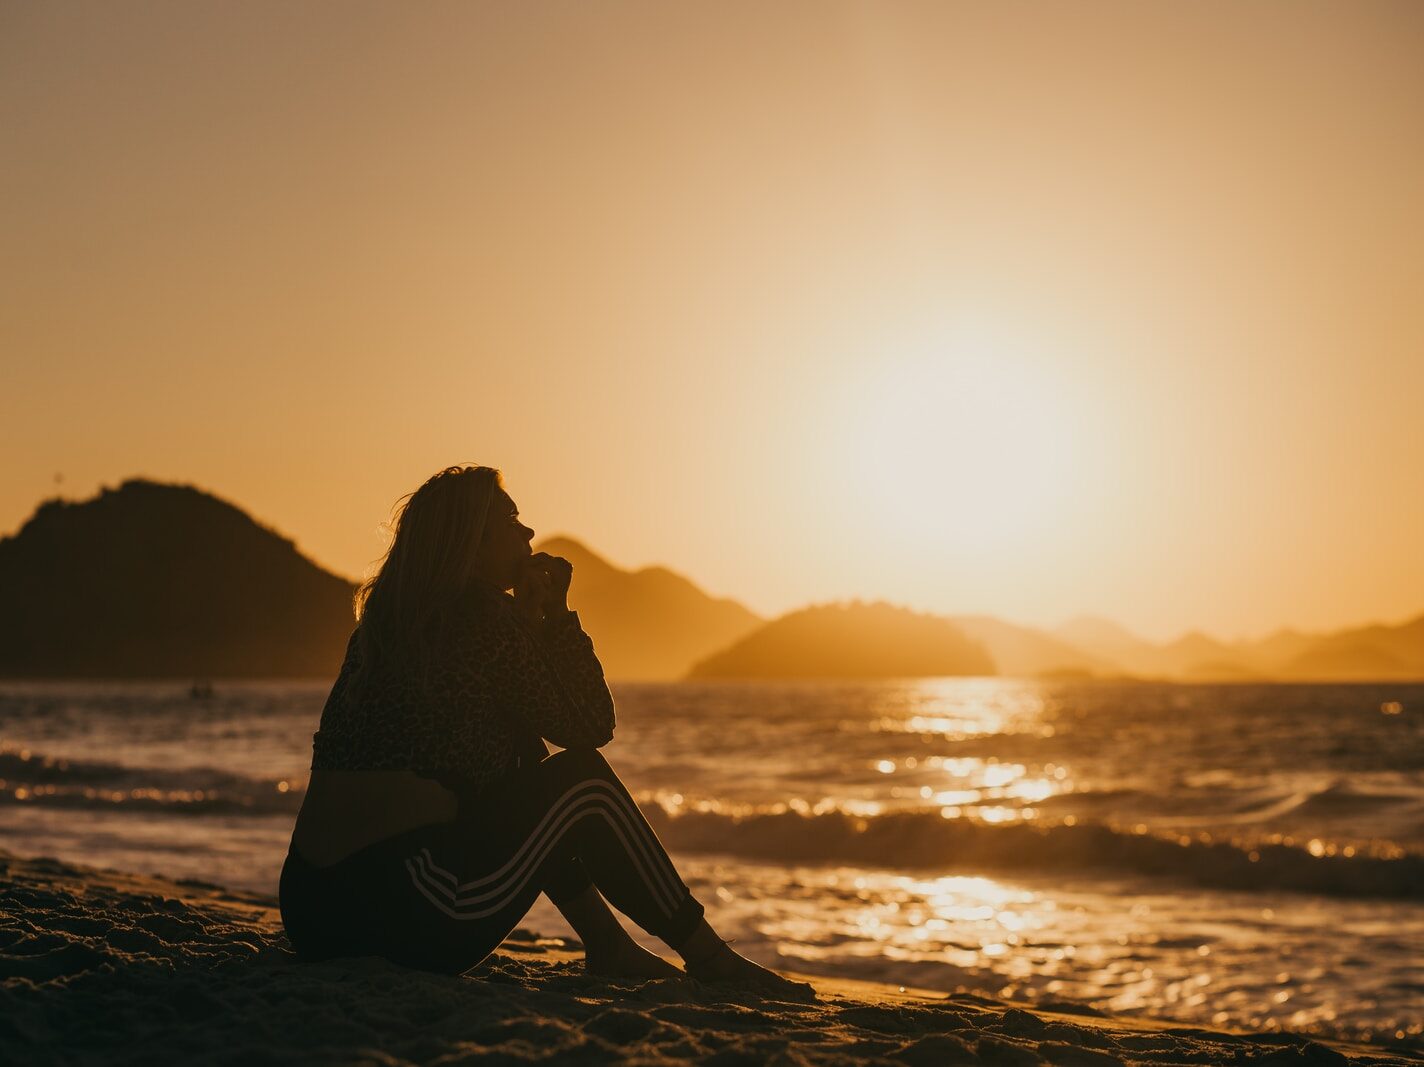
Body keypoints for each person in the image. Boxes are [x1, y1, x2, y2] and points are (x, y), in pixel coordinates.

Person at [280, 464, 809, 996]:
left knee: (526, 759)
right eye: (511, 520)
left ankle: (608, 944)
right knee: (585, 783)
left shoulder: (383, 627)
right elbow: (591, 727)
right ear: (474, 540)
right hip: (409, 910)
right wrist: (557, 617)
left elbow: (498, 753)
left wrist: (528, 629)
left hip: (310, 908)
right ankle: (708, 956)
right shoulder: (484, 615)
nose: (529, 534)